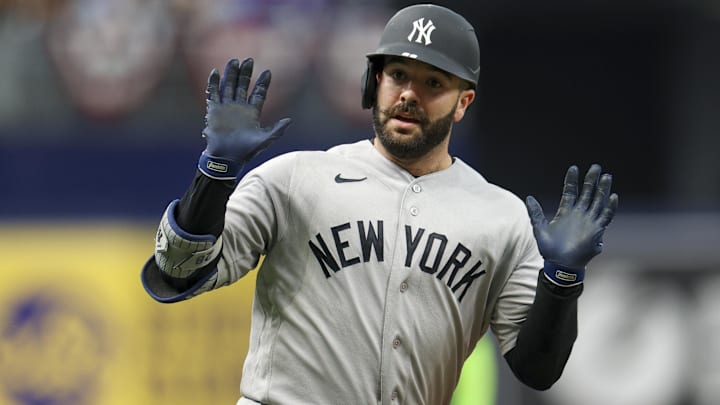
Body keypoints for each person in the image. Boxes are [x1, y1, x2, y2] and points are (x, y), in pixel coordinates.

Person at [141, 4, 619, 405]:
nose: (410, 93)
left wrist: (561, 284)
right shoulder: (295, 179)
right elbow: (176, 272)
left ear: (463, 102)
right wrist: (214, 175)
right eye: (398, 74)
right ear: (375, 82)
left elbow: (537, 370)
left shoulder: (502, 217)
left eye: (434, 83)